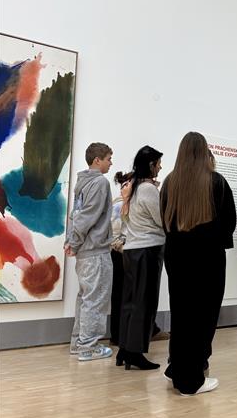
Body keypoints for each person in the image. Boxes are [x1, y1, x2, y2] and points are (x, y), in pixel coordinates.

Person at [161, 132, 236, 396]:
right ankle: (191, 380)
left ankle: (176, 368)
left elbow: (164, 219)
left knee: (181, 313)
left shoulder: (169, 182)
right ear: (205, 151)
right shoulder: (216, 182)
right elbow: (229, 222)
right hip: (208, 256)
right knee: (204, 316)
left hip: (176, 255)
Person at [65, 142, 114, 362]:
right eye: (108, 158)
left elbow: (75, 214)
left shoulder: (81, 182)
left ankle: (79, 343)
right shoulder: (100, 182)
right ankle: (88, 347)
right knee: (96, 299)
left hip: (85, 252)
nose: (111, 163)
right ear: (97, 160)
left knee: (85, 298)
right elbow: (87, 217)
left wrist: (71, 241)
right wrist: (74, 242)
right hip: (95, 251)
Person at [117, 146, 165, 370]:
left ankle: (125, 349)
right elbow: (161, 220)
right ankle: (135, 353)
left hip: (132, 250)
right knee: (144, 303)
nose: (160, 168)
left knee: (130, 302)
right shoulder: (148, 190)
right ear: (151, 165)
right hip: (148, 250)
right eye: (158, 164)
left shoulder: (132, 186)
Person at [109, 171, 132, 347]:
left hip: (125, 254)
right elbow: (115, 237)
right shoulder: (119, 205)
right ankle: (117, 336)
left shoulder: (127, 204)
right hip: (120, 256)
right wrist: (128, 250)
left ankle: (122, 334)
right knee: (120, 295)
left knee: (125, 295)